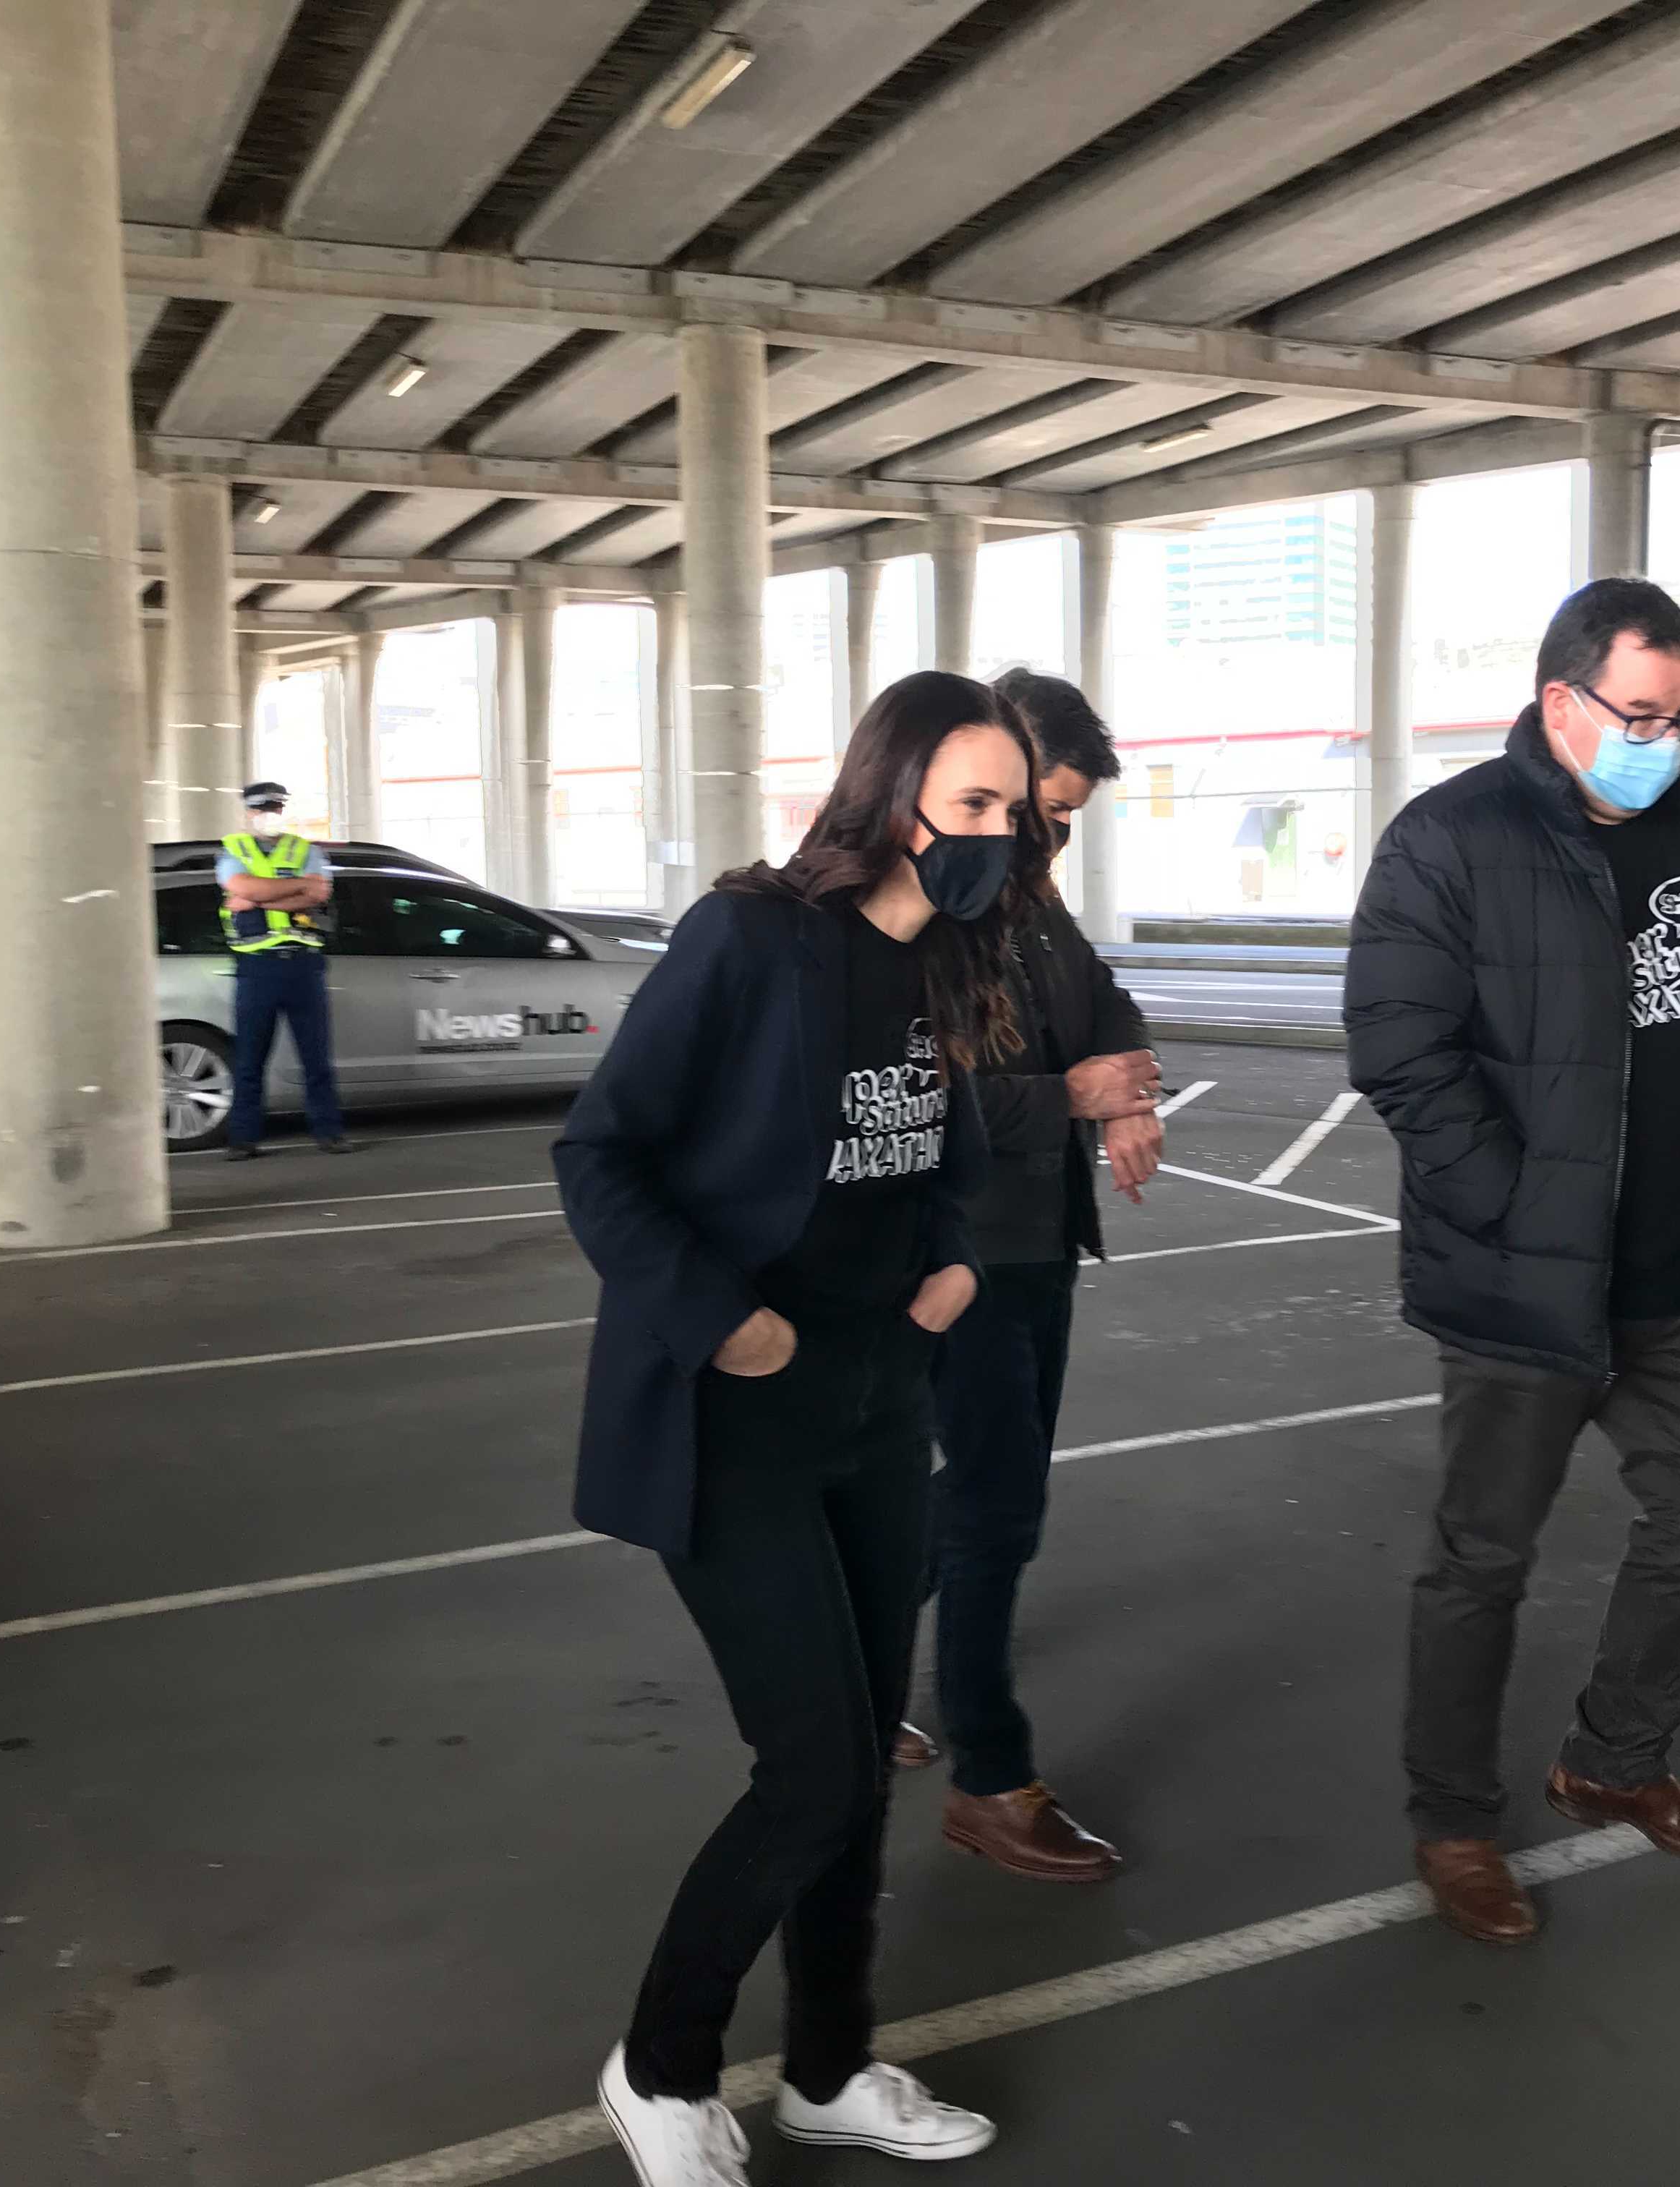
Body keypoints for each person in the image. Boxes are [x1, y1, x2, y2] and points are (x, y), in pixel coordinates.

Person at [555, 672, 1046, 2186]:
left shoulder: (951, 967)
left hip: (881, 1407)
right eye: (971, 805)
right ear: (888, 795)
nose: (996, 836)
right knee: (819, 1767)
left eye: (1013, 814)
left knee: (853, 1766)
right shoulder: (753, 940)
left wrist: (959, 1260)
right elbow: (600, 1154)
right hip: (732, 1417)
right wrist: (721, 1316)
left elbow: (952, 1149)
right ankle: (661, 2067)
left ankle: (831, 2067)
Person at [1345, 577, 1680, 1947]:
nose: (1666, 737)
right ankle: (1453, 1818)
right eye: (1640, 713)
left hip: (1676, 1272)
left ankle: (1614, 1753)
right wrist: (1514, 1206)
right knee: (1481, 1559)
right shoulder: (1451, 840)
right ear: (1559, 703)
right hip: (1525, 1282)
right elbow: (1400, 1053)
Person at [898, 666, 1161, 1884]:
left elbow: (1095, 995)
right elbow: (908, 1090)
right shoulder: (922, 899)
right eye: (1036, 807)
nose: (1045, 834)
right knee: (996, 1504)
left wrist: (1125, 1073)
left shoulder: (1028, 894)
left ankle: (853, 1674)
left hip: (1032, 1237)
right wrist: (1069, 1095)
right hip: (958, 1245)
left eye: (1062, 817)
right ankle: (991, 1778)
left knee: (969, 1492)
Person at [217, 782, 349, 1159]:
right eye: (262, 808)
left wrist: (257, 897)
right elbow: (239, 885)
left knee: (317, 1058)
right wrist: (296, 889)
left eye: (276, 806)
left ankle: (329, 1133)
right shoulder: (232, 850)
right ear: (248, 813)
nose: (270, 814)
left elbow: (318, 894)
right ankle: (244, 1140)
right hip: (256, 968)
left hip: (303, 967)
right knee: (249, 1059)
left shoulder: (305, 849)